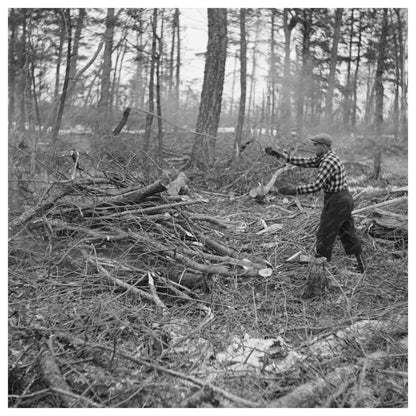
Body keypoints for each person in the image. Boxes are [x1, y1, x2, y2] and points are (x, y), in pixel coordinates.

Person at [265, 133, 365, 273]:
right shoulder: (326, 156)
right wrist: (283, 156)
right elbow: (306, 162)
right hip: (342, 199)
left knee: (325, 233)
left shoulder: (328, 162)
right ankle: (362, 265)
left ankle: (320, 269)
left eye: (316, 145)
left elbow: (316, 186)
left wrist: (294, 190)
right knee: (347, 232)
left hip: (338, 201)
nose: (314, 147)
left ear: (324, 147)